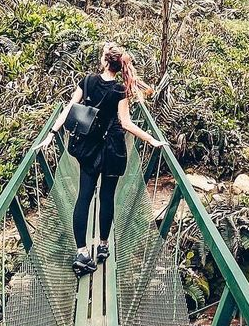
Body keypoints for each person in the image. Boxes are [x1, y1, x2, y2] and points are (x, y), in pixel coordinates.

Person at [48, 42, 163, 274]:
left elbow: (69, 108)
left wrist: (52, 134)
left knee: (84, 197)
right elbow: (126, 123)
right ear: (119, 65)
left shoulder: (88, 81)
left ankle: (81, 252)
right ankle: (102, 246)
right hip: (112, 150)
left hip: (88, 149)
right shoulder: (120, 90)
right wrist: (151, 140)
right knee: (107, 197)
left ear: (104, 61)